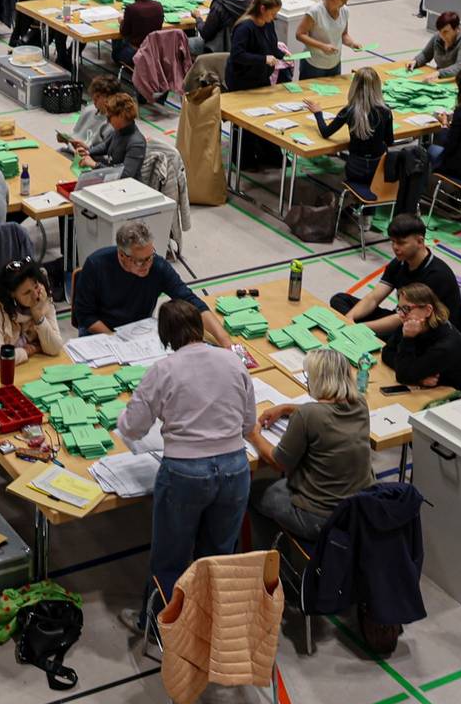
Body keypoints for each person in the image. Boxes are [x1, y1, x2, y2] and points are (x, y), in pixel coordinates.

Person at [116, 297, 256, 639]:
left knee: (170, 558)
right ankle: (210, 625)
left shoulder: (163, 370)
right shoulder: (232, 361)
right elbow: (248, 422)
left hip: (185, 473)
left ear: (165, 337)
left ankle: (159, 627)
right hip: (235, 468)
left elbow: (132, 427)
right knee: (218, 556)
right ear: (199, 326)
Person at [250, 344, 372, 548]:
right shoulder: (360, 403)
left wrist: (254, 435)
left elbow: (278, 463)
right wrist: (287, 408)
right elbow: (327, 410)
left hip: (320, 516)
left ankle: (274, 556)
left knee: (254, 492)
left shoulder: (307, 415)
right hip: (357, 508)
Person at [331, 213, 461, 337]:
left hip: (426, 331)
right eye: (392, 242)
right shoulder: (399, 263)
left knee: (398, 337)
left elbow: (405, 319)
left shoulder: (437, 276)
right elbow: (374, 298)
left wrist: (359, 328)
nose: (395, 247)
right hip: (402, 317)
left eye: (401, 243)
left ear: (420, 241)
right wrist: (349, 319)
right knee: (340, 300)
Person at [70, 221, 196, 333]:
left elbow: (188, 299)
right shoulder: (96, 265)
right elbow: (85, 315)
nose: (147, 265)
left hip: (138, 330)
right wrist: (114, 338)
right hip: (100, 331)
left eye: (150, 257)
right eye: (140, 261)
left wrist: (210, 329)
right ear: (121, 255)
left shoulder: (158, 266)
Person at [384, 285, 461, 394]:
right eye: (399, 309)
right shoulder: (411, 325)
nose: (401, 315)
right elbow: (387, 352)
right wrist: (418, 378)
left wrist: (408, 339)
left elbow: (402, 375)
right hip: (444, 389)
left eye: (407, 309)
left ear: (428, 310)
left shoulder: (445, 345)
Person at [313, 66, 394, 193]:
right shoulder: (385, 111)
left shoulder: (349, 111)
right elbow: (389, 141)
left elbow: (325, 132)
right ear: (377, 87)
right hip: (379, 170)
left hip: (356, 170)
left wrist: (318, 114)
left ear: (354, 87)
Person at [225, 0, 294, 91]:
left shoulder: (269, 23)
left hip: (262, 77)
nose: (275, 17)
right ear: (262, 9)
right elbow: (237, 55)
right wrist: (264, 59)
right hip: (243, 81)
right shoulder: (244, 28)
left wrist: (283, 55)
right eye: (273, 13)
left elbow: (271, 46)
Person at [76, 91, 147, 181]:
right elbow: (106, 145)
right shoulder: (119, 130)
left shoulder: (137, 143)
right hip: (111, 178)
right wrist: (88, 152)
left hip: (125, 185)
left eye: (110, 117)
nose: (108, 121)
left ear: (121, 116)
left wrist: (95, 165)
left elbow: (125, 175)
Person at [297, 0, 356, 79]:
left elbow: (344, 34)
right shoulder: (315, 11)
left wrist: (352, 44)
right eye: (342, 0)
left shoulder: (345, 11)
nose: (345, 4)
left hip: (335, 64)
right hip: (314, 65)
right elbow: (300, 34)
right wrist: (322, 46)